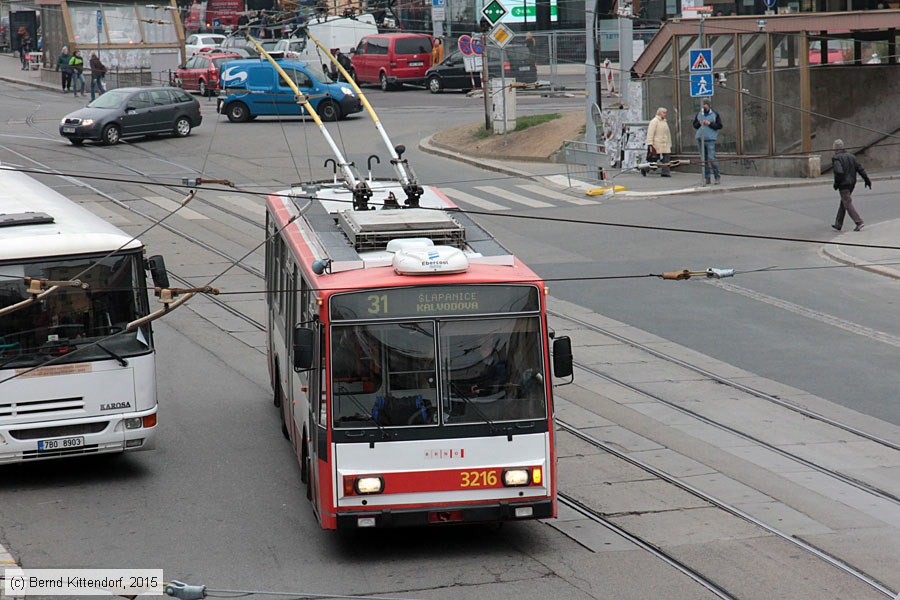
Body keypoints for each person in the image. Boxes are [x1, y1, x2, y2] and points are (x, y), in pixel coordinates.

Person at [831, 139, 870, 232]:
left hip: (843, 184)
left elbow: (839, 172)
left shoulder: (836, 158)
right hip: (852, 183)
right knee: (844, 202)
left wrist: (836, 184)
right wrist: (867, 180)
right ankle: (838, 224)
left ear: (835, 149)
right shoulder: (852, 156)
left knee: (847, 202)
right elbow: (860, 169)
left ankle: (859, 222)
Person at [693, 99, 723, 184]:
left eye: (705, 105)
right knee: (704, 159)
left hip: (710, 139)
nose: (703, 106)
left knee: (711, 158)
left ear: (709, 105)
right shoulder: (699, 114)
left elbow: (719, 126)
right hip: (700, 138)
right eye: (702, 105)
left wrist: (709, 123)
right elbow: (695, 126)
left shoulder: (714, 114)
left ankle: (717, 177)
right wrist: (699, 123)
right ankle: (707, 178)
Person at [646, 107, 672, 177]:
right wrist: (650, 143)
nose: (665, 114)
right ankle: (645, 168)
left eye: (665, 113)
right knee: (653, 159)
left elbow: (668, 133)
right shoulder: (654, 121)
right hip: (657, 143)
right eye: (664, 113)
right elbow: (650, 132)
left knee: (666, 157)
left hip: (665, 143)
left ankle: (665, 172)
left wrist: (669, 143)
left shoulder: (664, 122)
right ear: (659, 113)